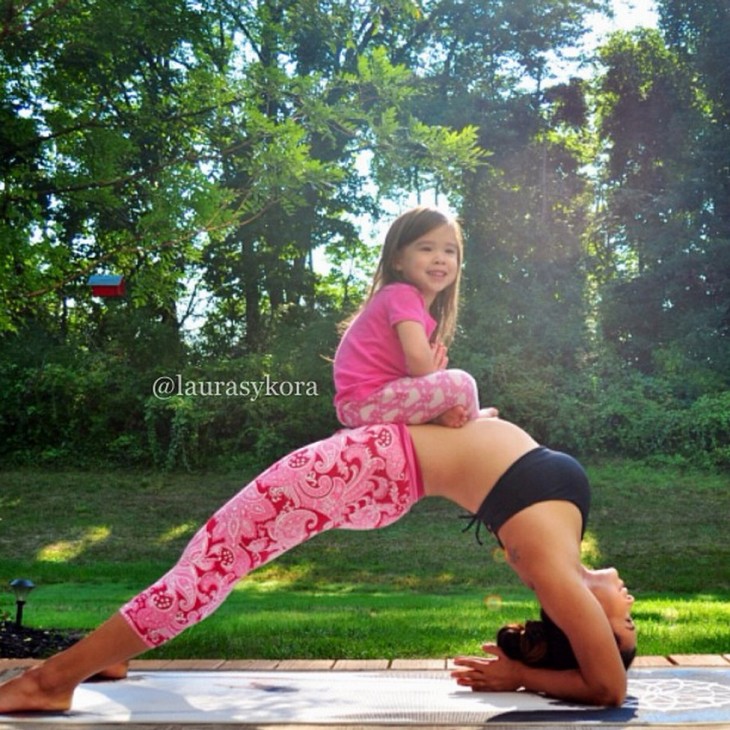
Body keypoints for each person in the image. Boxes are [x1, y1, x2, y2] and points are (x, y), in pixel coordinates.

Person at [0, 416, 636, 713]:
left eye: (629, 630)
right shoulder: (563, 547)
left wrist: (522, 680)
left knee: (211, 564)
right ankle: (108, 652)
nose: (634, 611)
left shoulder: (551, 571)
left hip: (363, 472)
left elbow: (608, 689)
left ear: (588, 632)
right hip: (371, 466)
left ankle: (53, 681)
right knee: (210, 555)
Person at [333, 206, 496, 429]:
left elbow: (414, 369)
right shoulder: (402, 294)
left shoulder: (412, 305)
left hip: (369, 399)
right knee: (462, 382)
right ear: (397, 260)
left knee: (451, 384)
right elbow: (419, 363)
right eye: (426, 249)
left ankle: (444, 416)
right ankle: (473, 419)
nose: (440, 258)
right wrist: (434, 375)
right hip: (365, 400)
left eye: (449, 251)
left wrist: (430, 377)